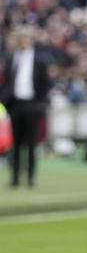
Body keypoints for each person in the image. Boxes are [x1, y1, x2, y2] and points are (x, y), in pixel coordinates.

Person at [0, 25, 51, 188]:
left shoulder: (39, 60)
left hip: (32, 105)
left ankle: (30, 177)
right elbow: (7, 82)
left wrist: (41, 105)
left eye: (25, 39)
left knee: (31, 143)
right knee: (15, 143)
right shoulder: (11, 58)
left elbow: (45, 85)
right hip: (15, 105)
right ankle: (15, 178)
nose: (23, 42)